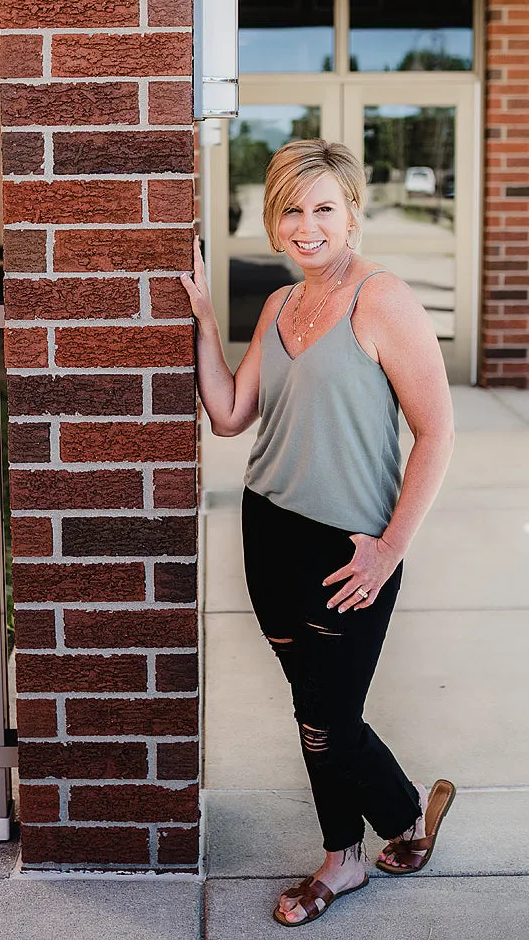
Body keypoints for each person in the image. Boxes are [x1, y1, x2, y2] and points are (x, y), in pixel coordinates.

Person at [180, 138, 456, 927]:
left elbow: (436, 432)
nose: (308, 226)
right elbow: (232, 417)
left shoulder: (383, 298)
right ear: (273, 220)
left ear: (352, 214)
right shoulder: (276, 305)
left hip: (351, 548)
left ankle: (371, 839)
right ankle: (374, 835)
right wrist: (203, 320)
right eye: (292, 210)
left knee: (326, 718)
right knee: (313, 707)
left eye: (323, 208)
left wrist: (391, 546)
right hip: (270, 533)